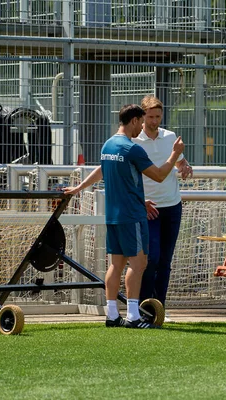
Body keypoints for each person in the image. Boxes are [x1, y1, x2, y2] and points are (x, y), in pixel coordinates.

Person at [64, 104, 184, 329]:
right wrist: (175, 154)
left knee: (116, 265)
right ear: (134, 121)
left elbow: (103, 170)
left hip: (113, 215)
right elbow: (159, 175)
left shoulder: (108, 144)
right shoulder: (132, 148)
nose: (142, 127)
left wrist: (79, 187)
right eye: (141, 121)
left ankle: (111, 315)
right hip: (132, 216)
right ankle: (133, 316)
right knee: (139, 265)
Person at [133, 95, 193, 317]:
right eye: (150, 117)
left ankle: (159, 308)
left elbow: (179, 161)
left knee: (165, 261)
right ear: (142, 116)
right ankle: (143, 307)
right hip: (148, 208)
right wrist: (141, 202)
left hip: (172, 206)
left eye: (158, 116)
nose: (154, 121)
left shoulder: (169, 137)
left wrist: (186, 166)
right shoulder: (134, 140)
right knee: (151, 259)